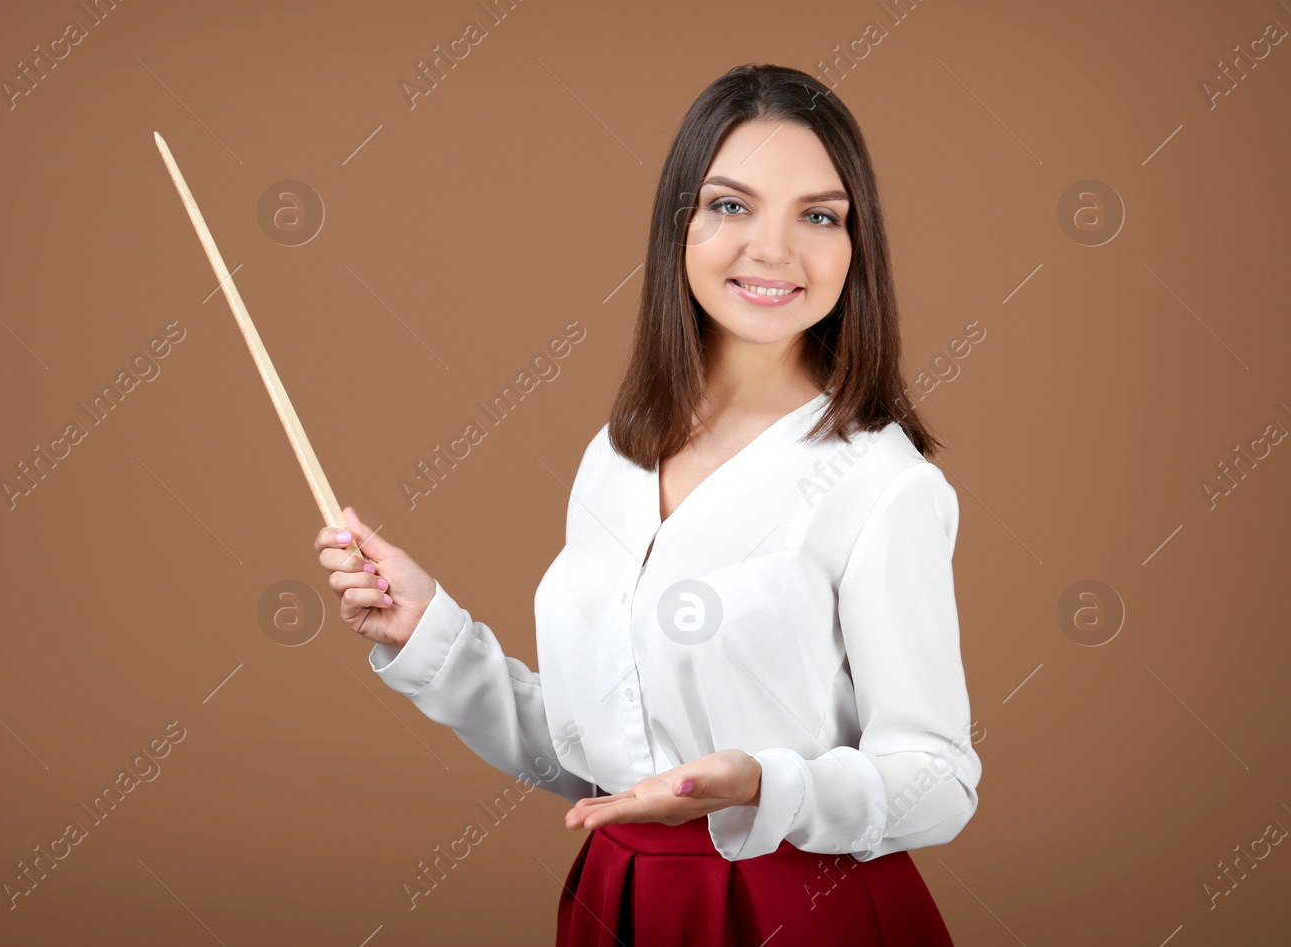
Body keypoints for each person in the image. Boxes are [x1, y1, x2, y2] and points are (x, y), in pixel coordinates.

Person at [313, 63, 981, 945]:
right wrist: (426, 631)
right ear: (680, 228)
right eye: (731, 205)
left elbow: (939, 779)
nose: (773, 249)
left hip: (797, 913)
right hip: (618, 904)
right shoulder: (618, 453)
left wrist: (764, 785)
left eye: (818, 215)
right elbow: (597, 761)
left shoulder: (881, 483)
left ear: (856, 248)